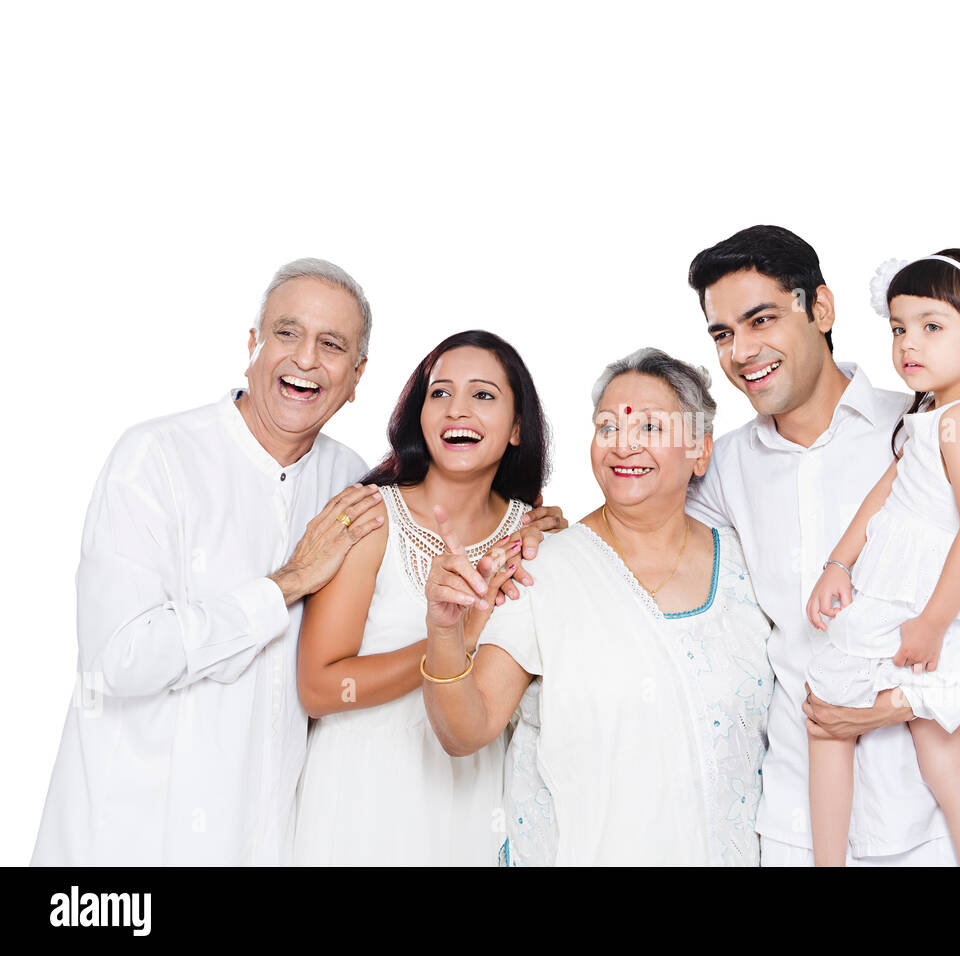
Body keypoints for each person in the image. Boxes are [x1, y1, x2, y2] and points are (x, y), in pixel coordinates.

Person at [685, 226, 960, 866]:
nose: (743, 350)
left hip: (937, 826)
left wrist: (904, 702)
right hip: (800, 827)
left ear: (821, 309)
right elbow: (643, 545)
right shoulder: (725, 467)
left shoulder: (931, 427)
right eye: (723, 333)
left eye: (761, 319)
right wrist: (541, 527)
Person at [32, 258, 386, 865]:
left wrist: (524, 521)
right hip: (132, 848)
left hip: (264, 842)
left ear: (356, 376)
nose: (305, 358)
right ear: (252, 345)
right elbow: (119, 657)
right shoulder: (155, 457)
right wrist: (286, 585)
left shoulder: (351, 482)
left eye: (331, 345)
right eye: (286, 333)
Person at [420, 348, 774, 865]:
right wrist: (445, 632)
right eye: (606, 426)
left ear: (700, 450)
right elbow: (464, 732)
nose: (622, 445)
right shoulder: (544, 569)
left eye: (650, 427)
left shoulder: (748, 564)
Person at [804, 250, 960, 866]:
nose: (909, 344)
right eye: (899, 328)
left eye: (932, 327)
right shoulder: (934, 417)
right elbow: (886, 491)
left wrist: (933, 622)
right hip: (898, 590)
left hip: (929, 603)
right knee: (844, 719)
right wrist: (838, 563)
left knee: (919, 750)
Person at [292, 330, 557, 865]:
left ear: (517, 429)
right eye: (440, 393)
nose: (457, 409)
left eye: (483, 395)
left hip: (471, 793)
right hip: (359, 794)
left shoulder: (531, 538)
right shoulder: (370, 516)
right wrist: (451, 643)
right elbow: (320, 688)